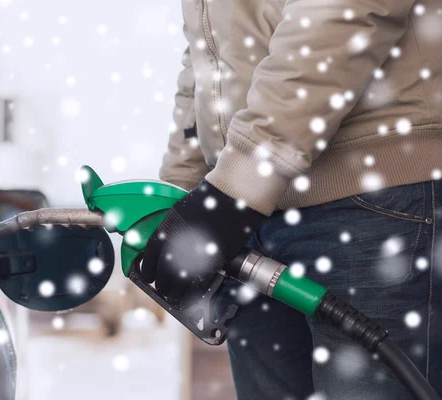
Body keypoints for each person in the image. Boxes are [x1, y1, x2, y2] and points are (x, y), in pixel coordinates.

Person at [140, 0, 442, 398]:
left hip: (365, 198)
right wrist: (185, 186)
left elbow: (344, 10)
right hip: (249, 208)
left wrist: (239, 182)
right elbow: (209, 44)